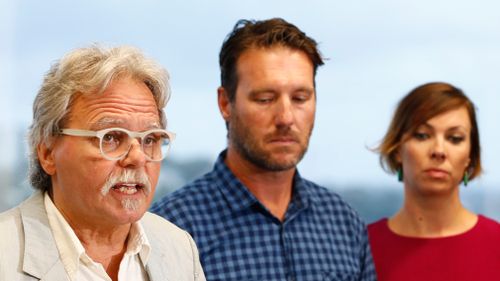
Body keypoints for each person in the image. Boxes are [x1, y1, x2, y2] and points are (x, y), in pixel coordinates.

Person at [151, 18, 376, 280]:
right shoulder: (171, 228)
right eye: (265, 99)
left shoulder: (344, 223)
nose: (286, 118)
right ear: (225, 103)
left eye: (300, 98)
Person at [0, 45, 205, 281]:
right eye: (111, 137)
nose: (137, 157)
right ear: (47, 153)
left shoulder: (179, 247)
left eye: (150, 139)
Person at [368, 82, 500, 281]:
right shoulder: (362, 246)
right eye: (422, 135)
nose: (439, 150)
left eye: (455, 138)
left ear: (469, 157)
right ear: (397, 150)